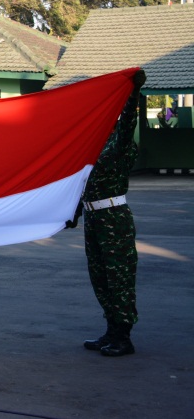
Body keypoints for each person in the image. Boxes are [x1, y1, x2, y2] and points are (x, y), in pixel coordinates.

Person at [70, 69, 145, 357]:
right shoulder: (95, 146)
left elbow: (128, 122)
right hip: (94, 219)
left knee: (119, 278)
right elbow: (83, 184)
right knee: (99, 276)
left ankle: (124, 336)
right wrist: (74, 212)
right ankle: (111, 330)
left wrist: (133, 92)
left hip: (114, 217)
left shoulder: (119, 143)